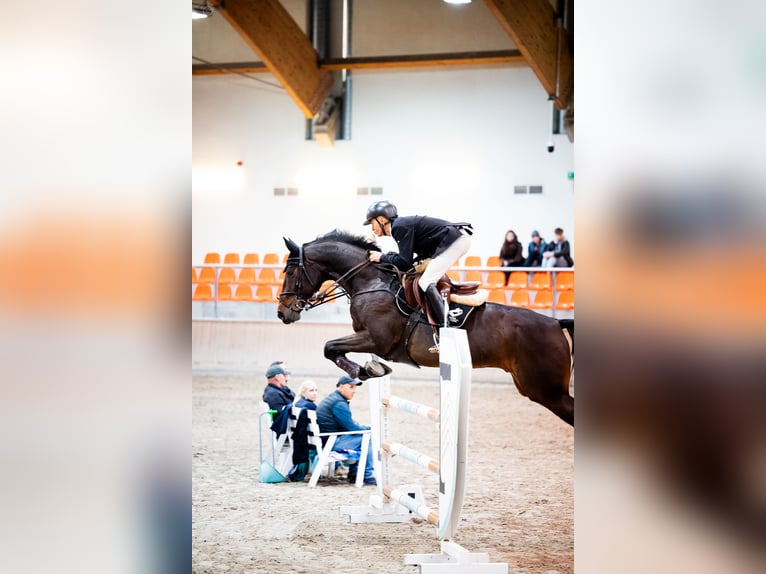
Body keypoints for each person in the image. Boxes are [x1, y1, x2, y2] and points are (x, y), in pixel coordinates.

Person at [364, 200, 472, 352]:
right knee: (424, 278)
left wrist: (381, 257)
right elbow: (409, 260)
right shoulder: (400, 227)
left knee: (426, 281)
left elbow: (404, 262)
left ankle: (446, 330)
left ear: (381, 220)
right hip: (454, 240)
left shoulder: (398, 227)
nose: (372, 228)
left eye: (371, 223)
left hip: (456, 240)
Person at [316, 375, 376, 486]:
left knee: (364, 437)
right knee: (369, 437)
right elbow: (352, 428)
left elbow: (348, 425)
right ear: (341, 386)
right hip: (333, 442)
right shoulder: (339, 403)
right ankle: (367, 476)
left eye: (355, 388)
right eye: (351, 387)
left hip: (328, 440)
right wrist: (369, 428)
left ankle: (355, 474)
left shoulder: (333, 399)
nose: (354, 391)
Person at [286, 380, 319, 482]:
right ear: (304, 392)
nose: (315, 393)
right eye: (311, 390)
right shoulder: (310, 406)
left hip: (305, 440)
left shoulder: (297, 403)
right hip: (313, 441)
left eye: (316, 390)